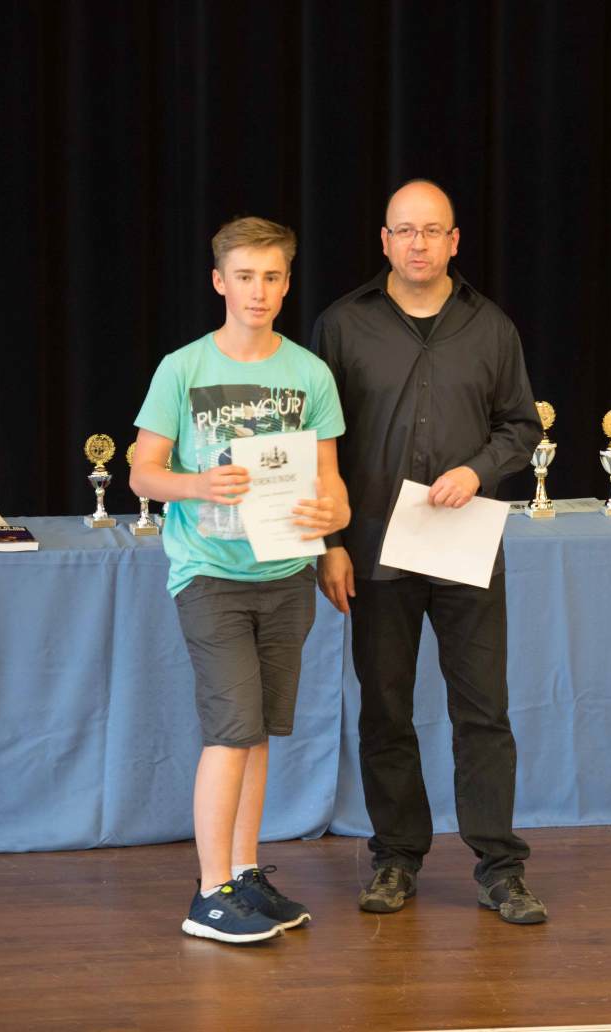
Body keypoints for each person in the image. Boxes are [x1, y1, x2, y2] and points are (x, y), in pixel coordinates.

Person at [311, 179, 547, 924]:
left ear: (454, 241)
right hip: (373, 550)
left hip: (465, 546)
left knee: (484, 712)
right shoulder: (342, 326)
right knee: (384, 710)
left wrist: (477, 469)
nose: (418, 244)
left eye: (432, 230)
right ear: (384, 240)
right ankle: (396, 859)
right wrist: (330, 545)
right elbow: (318, 445)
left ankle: (501, 869)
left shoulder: (491, 326)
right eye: (404, 231)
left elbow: (521, 426)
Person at [131, 216, 349, 944]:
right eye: (245, 276)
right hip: (210, 575)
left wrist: (333, 517)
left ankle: (245, 872)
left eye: (272, 277)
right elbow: (142, 472)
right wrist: (198, 485)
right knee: (230, 732)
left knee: (257, 735)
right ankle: (208, 893)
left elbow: (331, 485)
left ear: (287, 284)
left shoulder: (309, 374)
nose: (259, 290)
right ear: (219, 282)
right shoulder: (183, 368)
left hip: (286, 574)